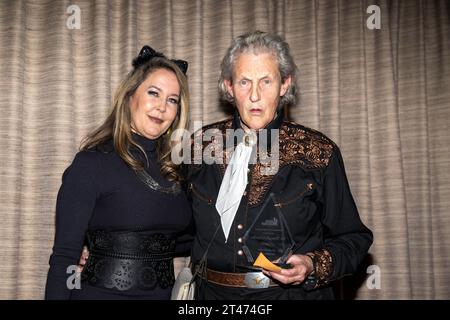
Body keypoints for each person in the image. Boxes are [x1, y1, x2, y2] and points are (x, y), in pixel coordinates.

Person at [185, 31, 373, 300]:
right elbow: (174, 223)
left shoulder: (319, 153)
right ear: (228, 86)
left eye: (266, 81)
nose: (254, 96)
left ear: (285, 84)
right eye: (244, 82)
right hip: (211, 296)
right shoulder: (198, 147)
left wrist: (312, 264)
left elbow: (354, 239)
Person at [45, 45, 193, 299]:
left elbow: (191, 238)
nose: (162, 107)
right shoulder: (92, 163)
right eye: (153, 93)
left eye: (172, 100)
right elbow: (64, 258)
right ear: (129, 96)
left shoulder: (179, 169)